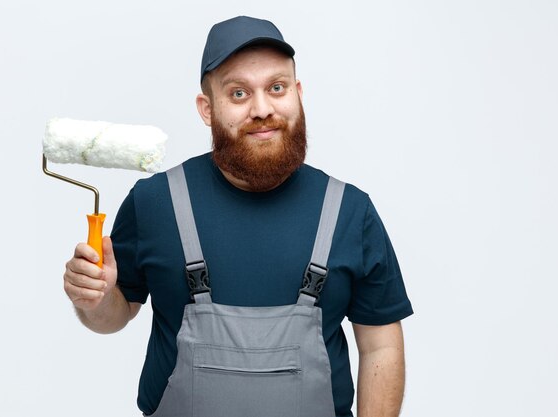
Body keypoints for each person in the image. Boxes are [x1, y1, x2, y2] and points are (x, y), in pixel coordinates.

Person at [63, 16, 413, 417]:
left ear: (298, 93)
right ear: (207, 108)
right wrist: (96, 298)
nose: (262, 109)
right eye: (239, 93)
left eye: (276, 88)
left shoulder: (350, 211)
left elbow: (380, 345)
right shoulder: (155, 203)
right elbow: (112, 318)